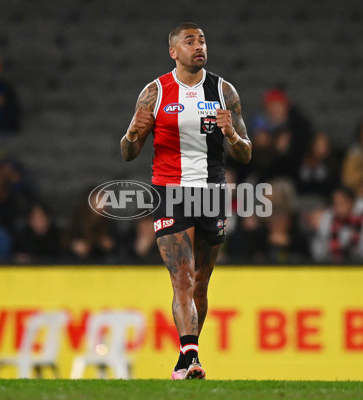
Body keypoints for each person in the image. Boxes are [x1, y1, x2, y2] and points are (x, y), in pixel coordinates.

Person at [119, 22, 251, 380]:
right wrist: (133, 132)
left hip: (211, 193)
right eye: (190, 40)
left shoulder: (224, 90)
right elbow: (128, 151)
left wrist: (233, 134)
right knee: (182, 278)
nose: (199, 46)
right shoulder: (154, 92)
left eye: (203, 40)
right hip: (169, 192)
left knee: (201, 283)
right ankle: (191, 358)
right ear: (173, 51)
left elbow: (245, 153)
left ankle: (185, 357)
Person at [311, 187, 363, 263]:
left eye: (342, 203)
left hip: (361, 268)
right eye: (335, 203)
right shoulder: (327, 220)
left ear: (351, 203)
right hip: (332, 268)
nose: (338, 208)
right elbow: (318, 253)